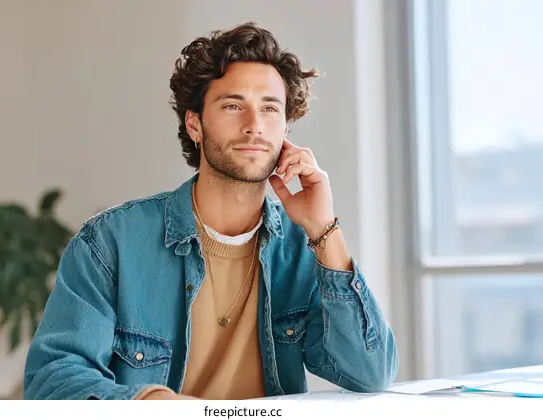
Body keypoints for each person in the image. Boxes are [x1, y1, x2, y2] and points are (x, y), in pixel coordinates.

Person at [23, 21, 398, 400]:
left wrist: (324, 230)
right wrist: (154, 403)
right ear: (194, 124)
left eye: (270, 108)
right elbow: (53, 379)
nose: (254, 126)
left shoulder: (304, 247)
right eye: (233, 106)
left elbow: (371, 373)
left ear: (286, 128)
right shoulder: (110, 243)